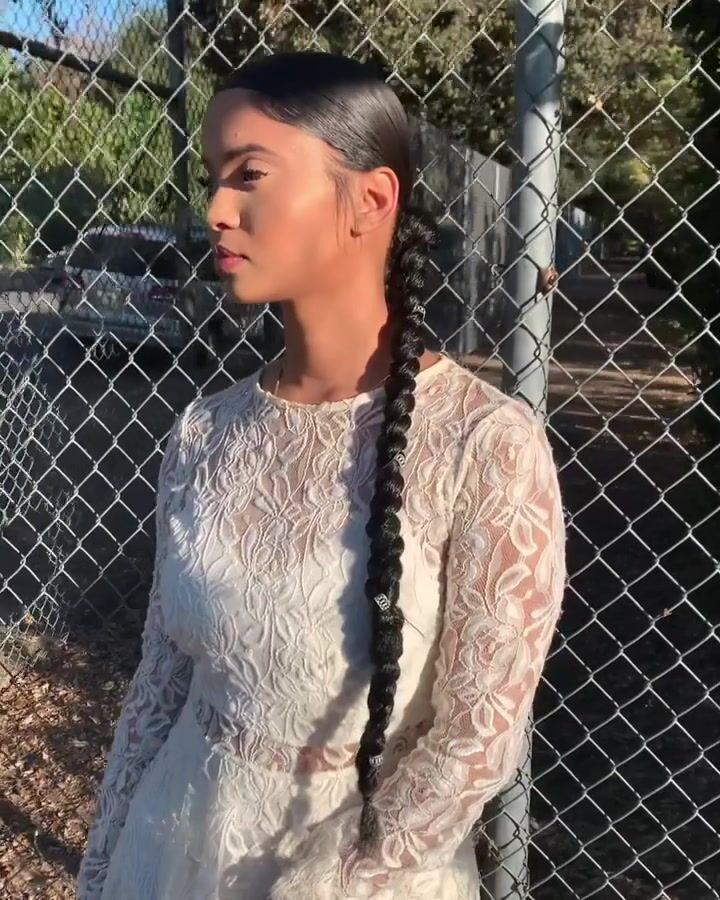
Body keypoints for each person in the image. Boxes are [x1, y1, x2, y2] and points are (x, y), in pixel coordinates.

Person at [76, 50, 567, 900]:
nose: (216, 210)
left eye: (249, 175)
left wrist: (336, 883)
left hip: (367, 871)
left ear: (370, 200)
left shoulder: (482, 445)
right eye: (213, 179)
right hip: (173, 840)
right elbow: (159, 686)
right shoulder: (205, 432)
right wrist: (101, 866)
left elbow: (475, 735)